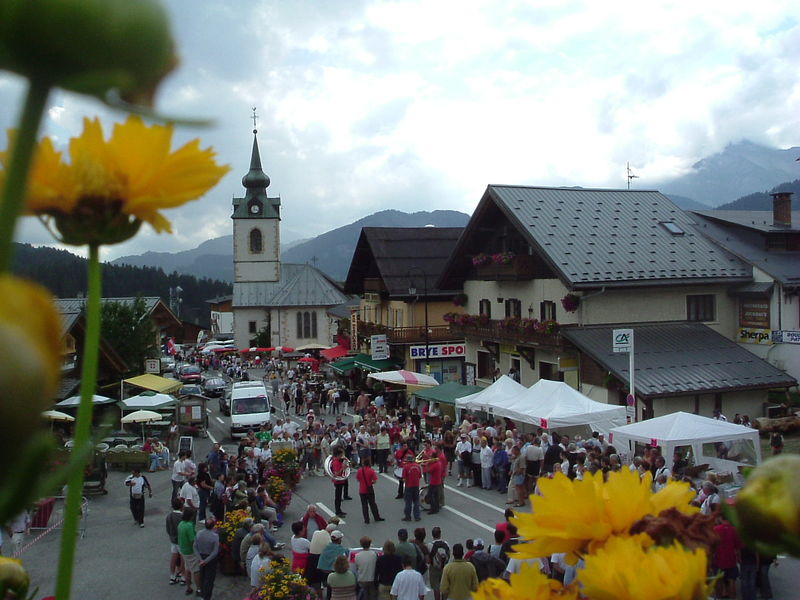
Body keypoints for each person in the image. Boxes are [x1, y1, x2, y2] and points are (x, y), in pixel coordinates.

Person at [195, 517, 220, 600]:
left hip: (201, 556)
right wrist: (206, 561)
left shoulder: (199, 533)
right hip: (210, 559)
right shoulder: (215, 536)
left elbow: (194, 547)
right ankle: (206, 597)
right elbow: (215, 551)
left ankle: (202, 594)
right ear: (213, 526)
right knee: (209, 579)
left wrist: (201, 559)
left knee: (202, 576)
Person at [178, 507, 201, 596]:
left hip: (183, 549)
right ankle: (198, 589)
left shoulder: (181, 524)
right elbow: (192, 540)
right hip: (190, 550)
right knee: (196, 570)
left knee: (187, 569)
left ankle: (189, 588)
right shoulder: (189, 525)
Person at [356, 458, 385, 524]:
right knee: (373, 504)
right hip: (369, 490)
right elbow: (374, 481)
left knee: (364, 505)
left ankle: (366, 519)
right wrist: (370, 483)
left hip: (362, 490)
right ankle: (376, 517)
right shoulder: (371, 471)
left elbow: (358, 479)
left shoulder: (360, 470)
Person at [166, 497, 186, 585]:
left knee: (173, 558)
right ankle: (183, 576)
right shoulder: (182, 516)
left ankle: (172, 576)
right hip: (181, 541)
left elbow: (168, 529)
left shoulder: (169, 516)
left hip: (173, 540)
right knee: (182, 558)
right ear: (181, 506)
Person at [354, 536, 379, 600]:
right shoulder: (374, 554)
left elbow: (356, 567)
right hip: (372, 579)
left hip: (362, 579)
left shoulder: (357, 556)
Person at [429, 527, 450, 600]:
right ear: (440, 534)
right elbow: (449, 554)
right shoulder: (446, 544)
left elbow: (428, 557)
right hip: (444, 567)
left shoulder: (430, 545)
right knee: (444, 585)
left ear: (432, 535)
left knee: (436, 587)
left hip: (434, 568)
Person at [401, 454, 423, 522]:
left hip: (409, 486)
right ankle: (417, 516)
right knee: (416, 501)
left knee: (408, 502)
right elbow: (420, 476)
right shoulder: (417, 466)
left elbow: (404, 478)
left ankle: (408, 517)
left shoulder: (406, 467)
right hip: (416, 485)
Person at [331, 447, 349, 517]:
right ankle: (338, 511)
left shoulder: (339, 461)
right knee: (338, 497)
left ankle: (339, 510)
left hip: (341, 480)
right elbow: (336, 474)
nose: (342, 456)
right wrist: (343, 468)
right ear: (338, 455)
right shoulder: (336, 462)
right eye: (341, 455)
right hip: (338, 481)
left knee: (339, 496)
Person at [425, 449, 444, 515]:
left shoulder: (435, 465)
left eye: (431, 457)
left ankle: (433, 509)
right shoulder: (439, 463)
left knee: (430, 496)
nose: (430, 458)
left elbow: (428, 470)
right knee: (436, 495)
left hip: (433, 482)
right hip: (438, 481)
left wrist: (427, 464)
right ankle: (437, 507)